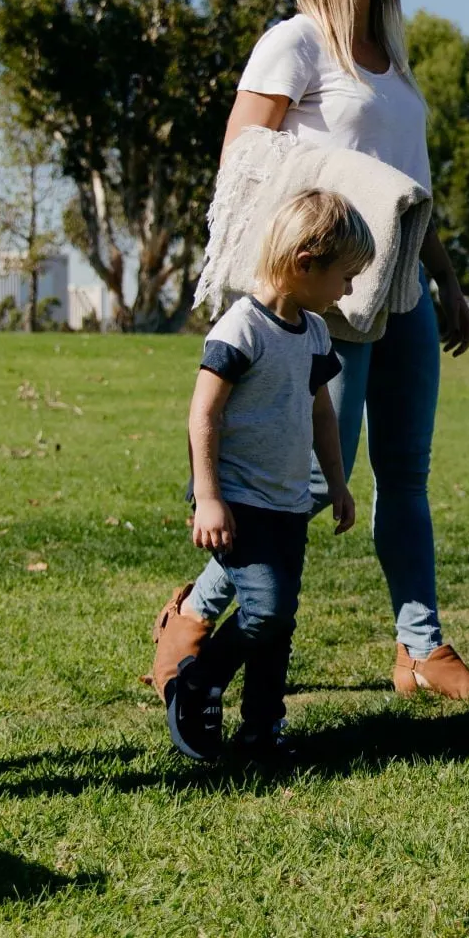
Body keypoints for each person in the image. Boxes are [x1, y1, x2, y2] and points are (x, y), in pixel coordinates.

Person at [153, 0, 469, 701]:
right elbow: (242, 160)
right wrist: (288, 277)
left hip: (405, 291)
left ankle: (421, 648)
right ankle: (197, 612)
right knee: (318, 473)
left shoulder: (392, 62)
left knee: (406, 473)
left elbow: (407, 192)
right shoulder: (296, 44)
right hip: (329, 300)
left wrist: (446, 281)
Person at [167, 189, 369, 762]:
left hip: (286, 502)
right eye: (345, 276)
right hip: (237, 499)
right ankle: (198, 680)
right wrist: (208, 496)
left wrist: (336, 483)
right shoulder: (242, 328)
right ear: (306, 263)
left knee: (277, 625)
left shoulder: (313, 333)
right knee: (268, 609)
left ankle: (261, 731)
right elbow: (202, 411)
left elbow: (321, 412)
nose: (349, 290)